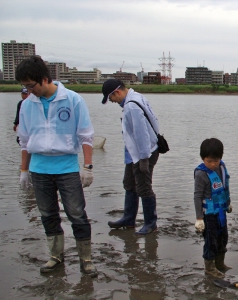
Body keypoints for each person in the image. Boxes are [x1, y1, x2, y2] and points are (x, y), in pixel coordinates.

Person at [15, 56, 97, 277]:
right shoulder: (26, 105)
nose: (29, 90)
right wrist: (24, 170)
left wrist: (87, 166)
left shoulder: (72, 100)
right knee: (48, 214)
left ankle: (86, 259)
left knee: (77, 214)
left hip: (67, 168)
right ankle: (56, 256)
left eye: (31, 85)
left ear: (44, 79)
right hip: (39, 170)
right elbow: (24, 140)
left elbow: (86, 136)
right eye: (25, 87)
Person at [101, 79, 159, 235]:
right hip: (134, 153)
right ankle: (128, 218)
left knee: (143, 187)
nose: (112, 101)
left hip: (143, 153)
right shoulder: (136, 97)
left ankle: (150, 223)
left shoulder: (131, 106)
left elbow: (141, 134)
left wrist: (144, 158)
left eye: (111, 98)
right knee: (129, 183)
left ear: (117, 92)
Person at [193, 138, 232, 278]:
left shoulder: (222, 167)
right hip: (208, 214)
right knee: (211, 241)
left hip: (221, 211)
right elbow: (197, 196)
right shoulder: (201, 174)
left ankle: (220, 264)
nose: (213, 164)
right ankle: (210, 267)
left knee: (223, 237)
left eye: (216, 161)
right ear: (203, 158)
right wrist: (199, 218)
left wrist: (228, 203)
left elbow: (225, 187)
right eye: (209, 161)